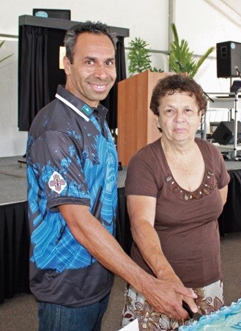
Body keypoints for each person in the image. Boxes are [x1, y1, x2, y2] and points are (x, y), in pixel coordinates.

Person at [25, 21, 196, 331]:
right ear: (68, 64)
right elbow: (78, 220)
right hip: (66, 288)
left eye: (108, 62)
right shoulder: (56, 129)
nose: (102, 72)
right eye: (89, 61)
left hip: (98, 277)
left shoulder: (96, 117)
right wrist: (147, 284)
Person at [121, 74, 230, 330]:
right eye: (169, 110)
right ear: (157, 118)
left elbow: (220, 200)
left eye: (187, 110)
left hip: (210, 281)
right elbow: (141, 225)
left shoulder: (212, 153)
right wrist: (168, 278)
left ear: (200, 115)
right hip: (158, 286)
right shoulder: (145, 163)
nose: (179, 118)